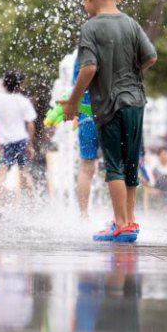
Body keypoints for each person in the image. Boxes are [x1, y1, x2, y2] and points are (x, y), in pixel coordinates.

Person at [61, 0, 157, 242]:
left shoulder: (90, 28)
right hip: (136, 103)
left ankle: (121, 225)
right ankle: (130, 220)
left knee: (114, 165)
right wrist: (130, 74)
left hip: (110, 106)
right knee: (130, 164)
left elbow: (88, 68)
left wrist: (72, 104)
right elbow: (151, 57)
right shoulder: (131, 24)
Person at [0, 71, 37, 203]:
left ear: (4, 83)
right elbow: (31, 124)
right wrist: (30, 144)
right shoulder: (24, 101)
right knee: (24, 170)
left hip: (4, 141)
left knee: (3, 169)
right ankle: (34, 200)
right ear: (20, 85)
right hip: (21, 139)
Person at [73, 57, 99, 218]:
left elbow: (75, 85)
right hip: (110, 116)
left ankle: (83, 215)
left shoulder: (81, 56)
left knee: (86, 167)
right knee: (115, 166)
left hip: (86, 118)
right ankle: (121, 217)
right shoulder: (111, 51)